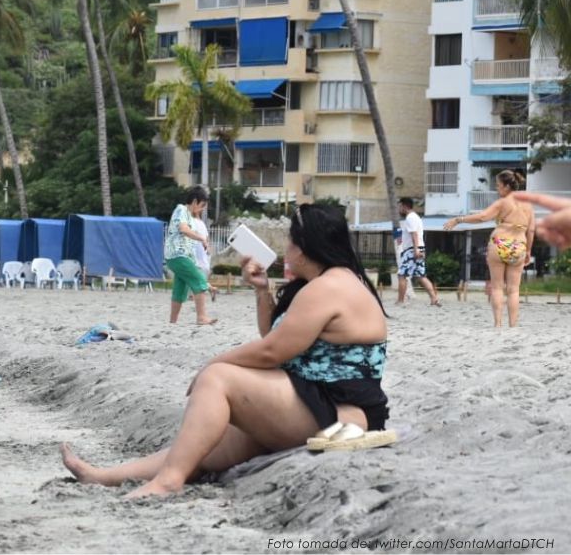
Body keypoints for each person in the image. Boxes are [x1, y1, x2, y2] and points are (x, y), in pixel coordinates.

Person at [60, 204, 391, 498]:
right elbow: (277, 337)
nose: (285, 248)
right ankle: (103, 477)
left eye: (290, 240)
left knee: (219, 378)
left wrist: (211, 365)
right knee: (203, 445)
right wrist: (262, 291)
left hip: (339, 413)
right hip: (317, 402)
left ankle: (168, 483)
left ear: (306, 248)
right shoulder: (326, 283)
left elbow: (270, 353)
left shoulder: (328, 287)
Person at [443, 170, 535, 328]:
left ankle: (498, 324)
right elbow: (531, 230)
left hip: (499, 243)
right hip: (519, 245)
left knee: (497, 287)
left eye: (498, 186)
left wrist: (459, 219)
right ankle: (513, 325)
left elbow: (482, 217)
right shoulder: (528, 205)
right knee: (514, 290)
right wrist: (528, 251)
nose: (497, 189)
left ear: (507, 186)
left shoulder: (502, 202)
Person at [165, 185, 214, 325]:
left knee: (180, 289)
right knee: (198, 281)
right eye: (202, 205)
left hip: (181, 257)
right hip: (178, 255)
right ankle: (202, 317)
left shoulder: (190, 217)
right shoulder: (181, 209)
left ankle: (172, 322)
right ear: (194, 201)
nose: (203, 208)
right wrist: (202, 238)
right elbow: (183, 229)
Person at [395, 198, 440, 307]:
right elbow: (413, 234)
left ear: (405, 206)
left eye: (400, 206)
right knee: (421, 276)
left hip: (412, 250)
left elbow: (414, 234)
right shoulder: (416, 217)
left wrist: (415, 250)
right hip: (418, 248)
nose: (399, 209)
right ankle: (434, 299)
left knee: (402, 275)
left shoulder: (410, 218)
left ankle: (401, 301)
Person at [190, 211, 218, 303]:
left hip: (196, 254)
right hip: (203, 255)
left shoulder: (191, 223)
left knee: (194, 276)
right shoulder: (202, 224)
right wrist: (208, 249)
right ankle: (210, 289)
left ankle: (195, 294)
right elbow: (207, 238)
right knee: (197, 277)